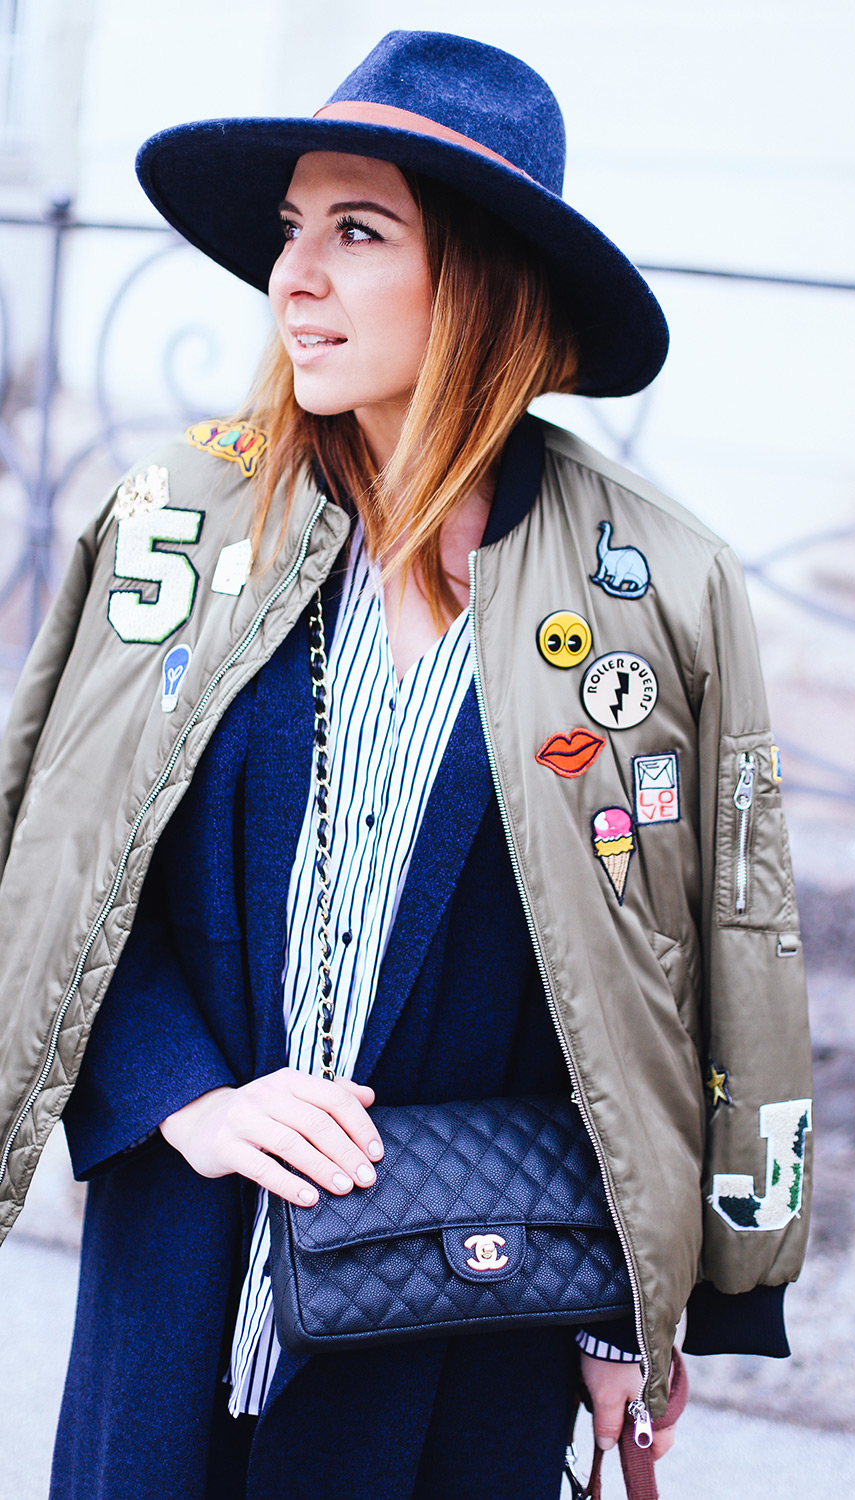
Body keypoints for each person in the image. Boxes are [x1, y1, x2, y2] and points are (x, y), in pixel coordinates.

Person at [0, 29, 813, 1500]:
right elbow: (60, 857)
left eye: (357, 232)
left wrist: (640, 1300)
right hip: (182, 1264)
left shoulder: (648, 589)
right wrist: (188, 1094)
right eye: (292, 230)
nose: (292, 277)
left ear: (485, 278)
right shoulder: (178, 526)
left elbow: (695, 954)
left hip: (467, 1303)